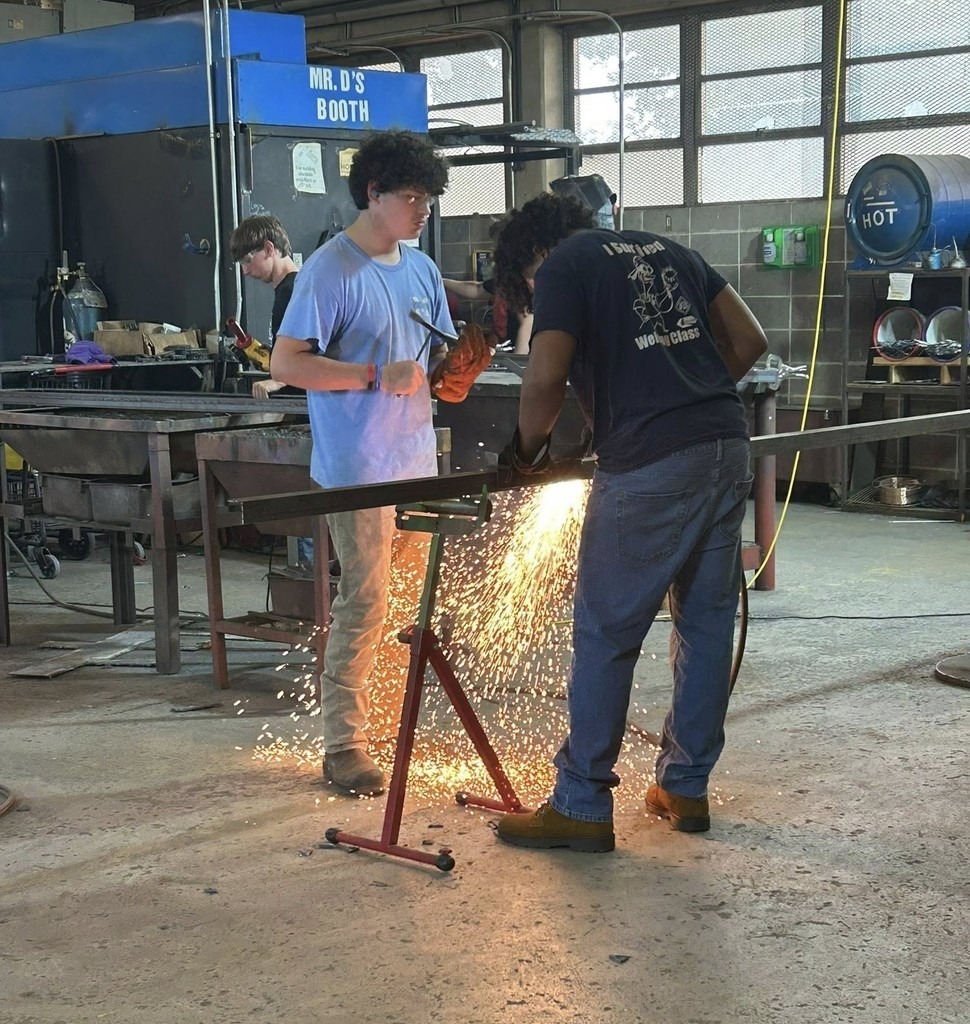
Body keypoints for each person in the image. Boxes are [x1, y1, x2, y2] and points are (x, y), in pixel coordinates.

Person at [491, 192, 768, 852]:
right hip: (726, 445)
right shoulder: (670, 251)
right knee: (703, 626)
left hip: (652, 465)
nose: (538, 294)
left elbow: (545, 377)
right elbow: (751, 342)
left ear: (533, 256)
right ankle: (685, 785)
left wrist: (524, 453)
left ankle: (581, 802)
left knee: (606, 630)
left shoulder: (561, 265)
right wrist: (676, 399)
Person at [270, 130, 465, 797]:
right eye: (414, 197)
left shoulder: (421, 269)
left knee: (409, 603)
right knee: (368, 599)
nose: (424, 210)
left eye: (431, 198)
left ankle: (386, 722)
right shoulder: (330, 270)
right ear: (374, 193)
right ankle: (344, 743)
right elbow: (287, 362)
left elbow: (432, 361)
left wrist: (455, 371)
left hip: (413, 459)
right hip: (357, 467)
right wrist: (377, 375)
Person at [228, 214, 300, 399]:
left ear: (269, 249)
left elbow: (315, 352)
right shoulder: (288, 290)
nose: (245, 271)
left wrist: (279, 380)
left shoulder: (294, 292)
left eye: (248, 260)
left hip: (306, 406)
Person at [442, 276, 534, 354]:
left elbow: (527, 324)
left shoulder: (527, 284)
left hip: (523, 352)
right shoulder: (508, 279)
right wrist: (439, 280)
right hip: (505, 347)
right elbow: (477, 290)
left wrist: (516, 366)